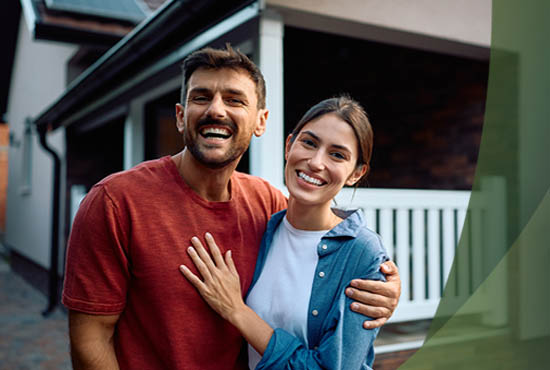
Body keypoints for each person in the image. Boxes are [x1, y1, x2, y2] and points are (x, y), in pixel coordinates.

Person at [63, 45, 401, 370]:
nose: (216, 110)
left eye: (235, 100)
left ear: (260, 121)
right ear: (181, 116)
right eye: (201, 97)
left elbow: (321, 236)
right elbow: (90, 339)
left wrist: (385, 286)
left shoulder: (265, 203)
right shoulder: (115, 202)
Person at [181, 96, 387, 369]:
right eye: (309, 143)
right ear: (289, 146)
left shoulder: (363, 253)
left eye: (337, 155)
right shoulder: (264, 229)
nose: (316, 162)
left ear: (356, 174)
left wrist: (237, 311)